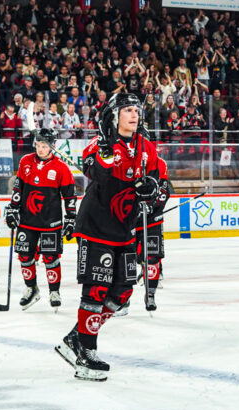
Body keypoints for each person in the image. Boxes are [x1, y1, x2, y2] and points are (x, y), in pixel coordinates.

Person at [53, 92, 163, 381]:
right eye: (127, 110)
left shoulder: (146, 146)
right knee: (96, 290)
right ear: (114, 116)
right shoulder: (100, 145)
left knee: (124, 291)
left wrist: (151, 189)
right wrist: (105, 151)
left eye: (136, 109)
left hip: (124, 229)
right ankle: (87, 352)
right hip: (96, 227)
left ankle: (77, 336)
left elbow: (156, 178)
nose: (134, 114)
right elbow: (96, 173)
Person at [4, 128, 76, 310]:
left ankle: (54, 291)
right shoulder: (25, 161)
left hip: (50, 223)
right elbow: (18, 188)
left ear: (52, 146)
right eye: (38, 145)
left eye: (44, 146)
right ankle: (31, 289)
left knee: (51, 258)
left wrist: (71, 218)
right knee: (25, 255)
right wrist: (12, 209)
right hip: (27, 221)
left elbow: (69, 197)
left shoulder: (61, 167)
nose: (40, 149)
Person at [128, 153, 171, 315]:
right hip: (130, 220)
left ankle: (151, 294)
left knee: (152, 257)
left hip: (152, 220)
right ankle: (123, 297)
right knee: (127, 259)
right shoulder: (126, 161)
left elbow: (165, 190)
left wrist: (153, 206)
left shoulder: (159, 163)